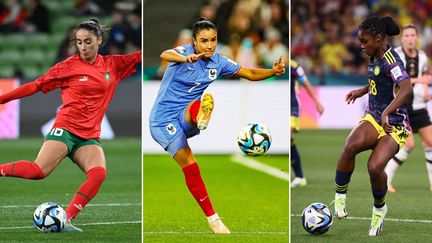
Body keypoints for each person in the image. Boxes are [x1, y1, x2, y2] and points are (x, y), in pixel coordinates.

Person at [0, 18, 142, 232]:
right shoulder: (67, 67)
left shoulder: (113, 64)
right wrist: (3, 99)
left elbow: (142, 55)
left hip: (89, 136)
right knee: (37, 171)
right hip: (66, 128)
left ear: (99, 40)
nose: (83, 47)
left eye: (87, 41)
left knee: (98, 175)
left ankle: (66, 219)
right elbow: (36, 86)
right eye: (78, 42)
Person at [149, 17, 285, 234]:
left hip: (187, 117)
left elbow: (248, 73)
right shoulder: (183, 53)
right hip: (163, 121)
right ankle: (214, 220)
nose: (209, 45)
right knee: (191, 165)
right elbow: (164, 54)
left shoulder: (218, 61)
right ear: (194, 41)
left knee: (199, 102)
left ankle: (201, 114)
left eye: (213, 40)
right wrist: (186, 59)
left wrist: (272, 72)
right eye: (203, 41)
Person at [333, 16, 412, 236]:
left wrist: (387, 112)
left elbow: (405, 88)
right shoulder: (375, 56)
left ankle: (379, 210)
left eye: (364, 41)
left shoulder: (391, 60)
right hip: (373, 117)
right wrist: (361, 91)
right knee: (349, 147)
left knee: (375, 167)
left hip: (394, 125)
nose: (361, 45)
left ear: (378, 39)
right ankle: (339, 198)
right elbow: (378, 80)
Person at [384, 25, 432, 192]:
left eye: (413, 35)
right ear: (402, 38)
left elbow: (427, 76)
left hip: (418, 105)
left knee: (430, 142)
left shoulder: (423, 56)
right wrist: (420, 81)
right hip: (401, 106)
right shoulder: (396, 55)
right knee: (408, 144)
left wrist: (425, 90)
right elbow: (397, 81)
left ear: (417, 38)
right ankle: (386, 178)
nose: (410, 38)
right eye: (407, 35)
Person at [290, 59, 324, 188]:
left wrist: (318, 103)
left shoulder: (294, 66)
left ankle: (299, 177)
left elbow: (306, 84)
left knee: (289, 136)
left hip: (292, 107)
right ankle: (299, 176)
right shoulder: (279, 66)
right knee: (290, 141)